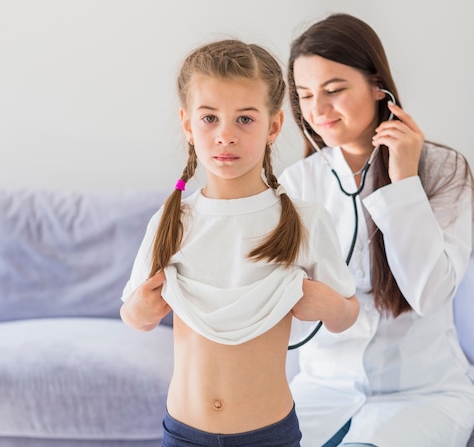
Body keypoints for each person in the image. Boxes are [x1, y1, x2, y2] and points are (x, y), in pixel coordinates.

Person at [120, 39, 360, 447]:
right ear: (187, 124)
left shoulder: (303, 221)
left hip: (269, 435)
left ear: (274, 125)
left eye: (245, 120)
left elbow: (347, 314)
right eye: (209, 118)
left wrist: (331, 306)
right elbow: (134, 316)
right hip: (183, 433)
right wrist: (141, 309)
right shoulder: (171, 221)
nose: (225, 135)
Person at [278, 13, 474, 447]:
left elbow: (428, 294)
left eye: (334, 91)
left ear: (377, 87)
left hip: (422, 394)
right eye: (305, 95)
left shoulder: (445, 170)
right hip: (322, 390)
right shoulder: (297, 185)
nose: (318, 110)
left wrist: (405, 182)